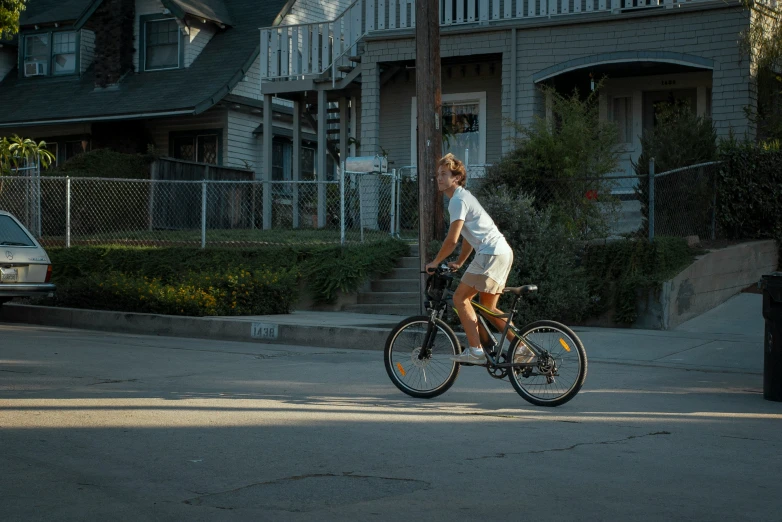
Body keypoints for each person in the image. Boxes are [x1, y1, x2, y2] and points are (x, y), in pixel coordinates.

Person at [425, 153, 519, 364]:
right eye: (437, 175)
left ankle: (476, 351)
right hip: (501, 251)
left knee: (460, 298)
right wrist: (459, 262)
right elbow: (468, 239)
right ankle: (521, 346)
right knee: (489, 309)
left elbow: (452, 239)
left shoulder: (457, 200)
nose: (438, 178)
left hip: (490, 253)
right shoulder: (464, 198)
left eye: (443, 174)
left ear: (456, 178)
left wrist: (434, 262)